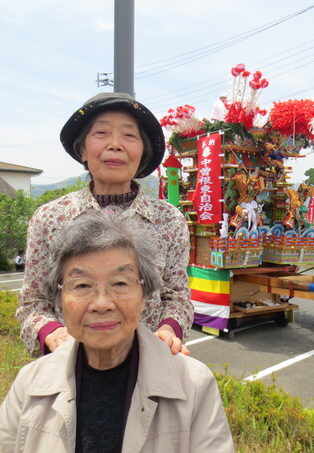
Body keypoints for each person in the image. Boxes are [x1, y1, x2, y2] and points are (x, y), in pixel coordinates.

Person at [0, 214, 234, 452]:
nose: (102, 303)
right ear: (59, 298)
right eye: (81, 285)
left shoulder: (195, 384)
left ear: (145, 295)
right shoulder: (30, 382)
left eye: (120, 283)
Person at [16, 92, 193, 357]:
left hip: (147, 365)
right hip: (70, 368)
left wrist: (168, 332)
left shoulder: (169, 219)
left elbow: (177, 297)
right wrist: (53, 334)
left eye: (129, 136)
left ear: (143, 151)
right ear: (82, 149)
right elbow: (32, 303)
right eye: (101, 133)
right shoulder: (50, 218)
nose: (115, 145)